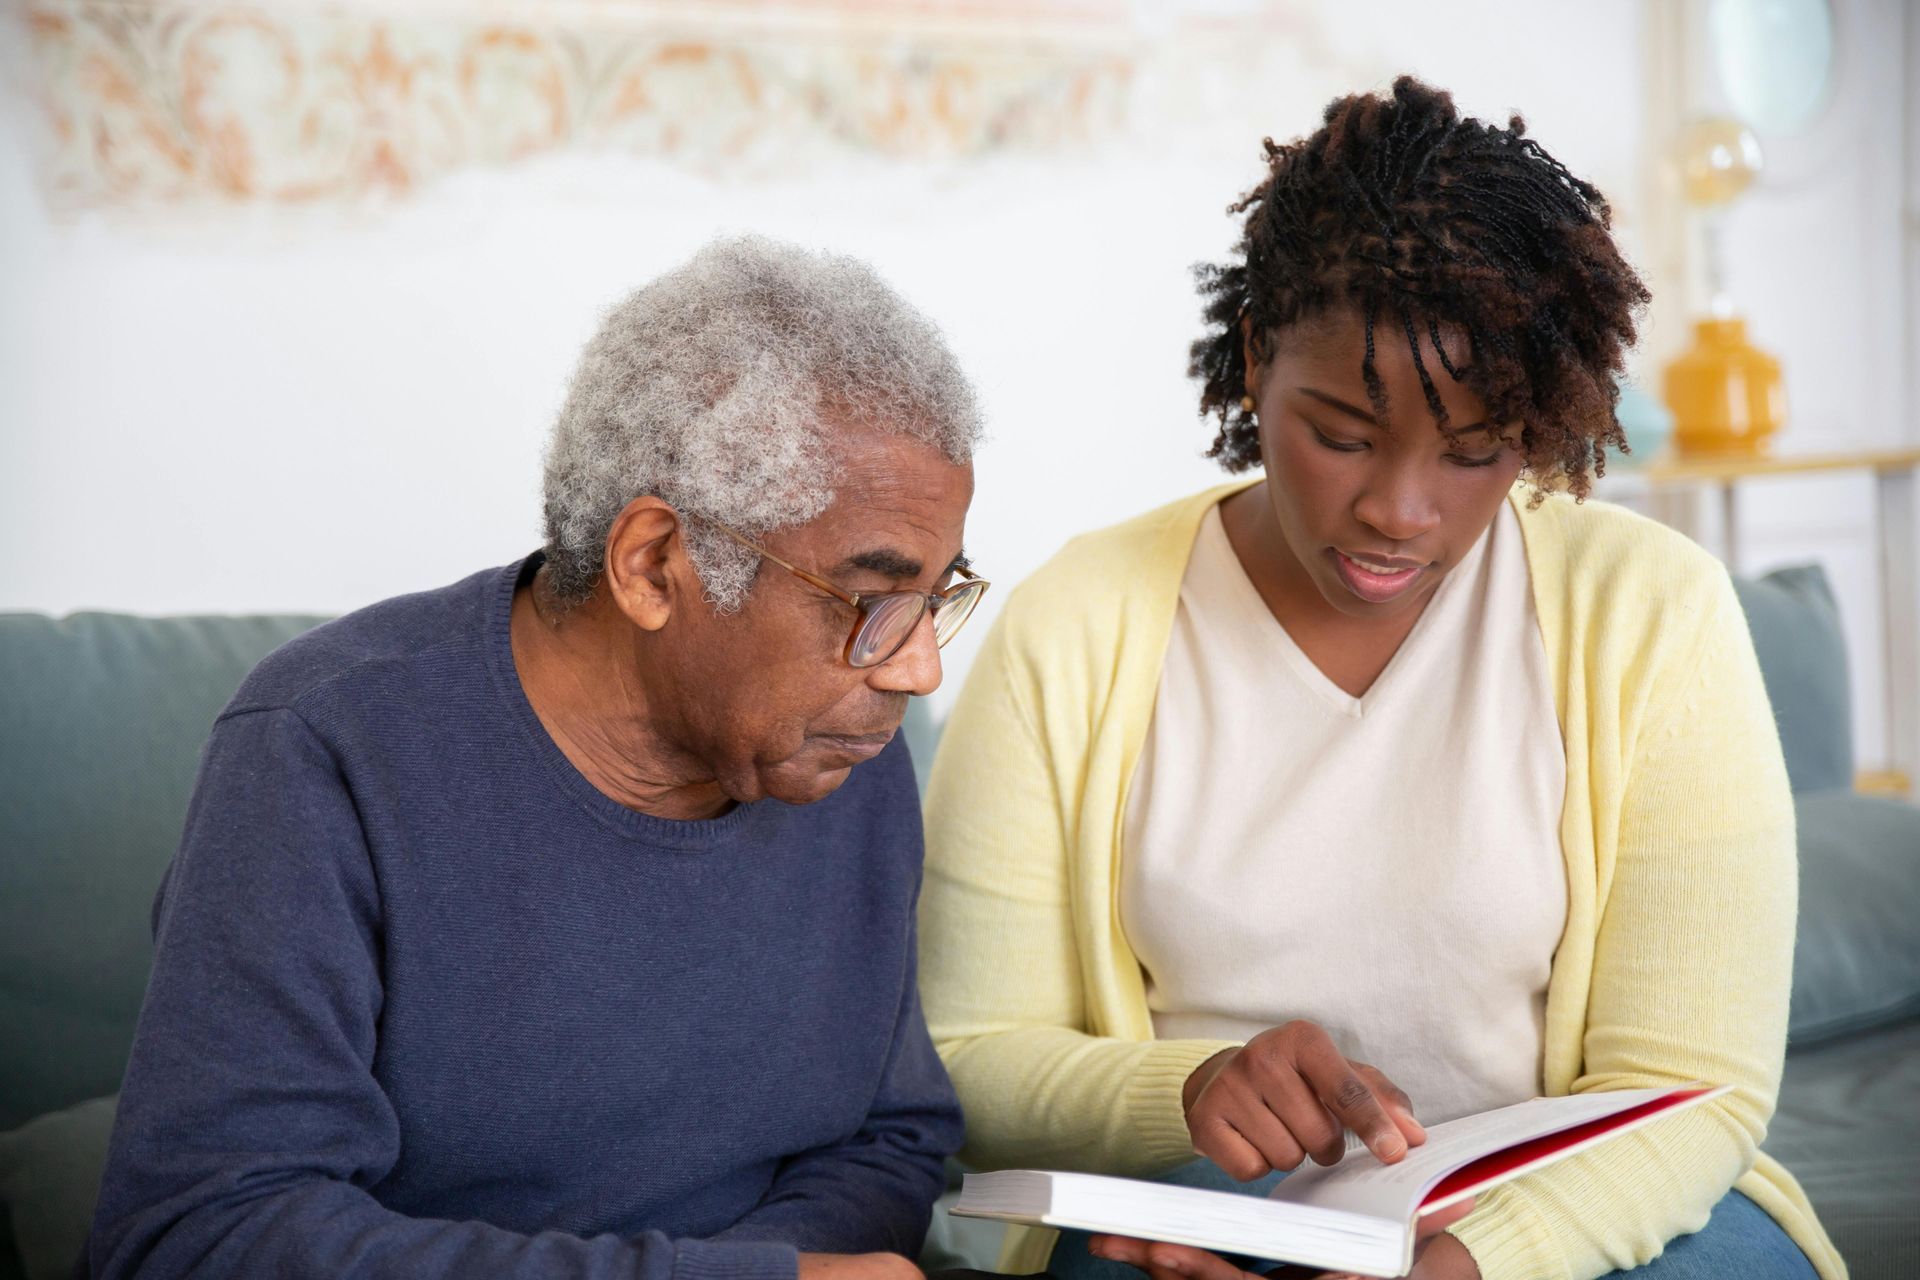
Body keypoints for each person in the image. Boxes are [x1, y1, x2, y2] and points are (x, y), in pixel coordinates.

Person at [917, 79, 1843, 1280]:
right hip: (1219, 1207)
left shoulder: (1653, 614)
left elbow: (1692, 1094)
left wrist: (1459, 1264)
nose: (1400, 512)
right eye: (1343, 434)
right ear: (1255, 359)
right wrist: (1185, 1088)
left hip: (1567, 1213)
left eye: (1473, 453)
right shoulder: (1074, 625)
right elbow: (969, 1054)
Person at [86, 236, 990, 1280]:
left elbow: (888, 1135)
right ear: (655, 562)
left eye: (936, 595)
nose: (917, 667)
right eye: (875, 600)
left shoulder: (840, 746)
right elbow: (204, 1231)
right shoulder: (324, 748)